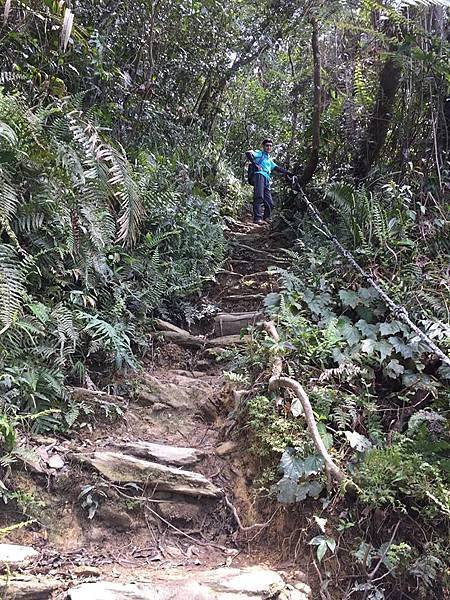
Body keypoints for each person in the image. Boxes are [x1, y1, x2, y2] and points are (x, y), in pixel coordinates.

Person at [246, 139, 293, 224]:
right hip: (259, 175)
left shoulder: (269, 159)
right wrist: (254, 164)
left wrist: (288, 173)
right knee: (259, 196)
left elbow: (277, 168)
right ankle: (257, 218)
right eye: (267, 145)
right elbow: (248, 153)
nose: (269, 147)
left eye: (270, 146)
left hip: (267, 179)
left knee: (270, 202)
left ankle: (266, 218)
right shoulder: (259, 153)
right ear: (263, 146)